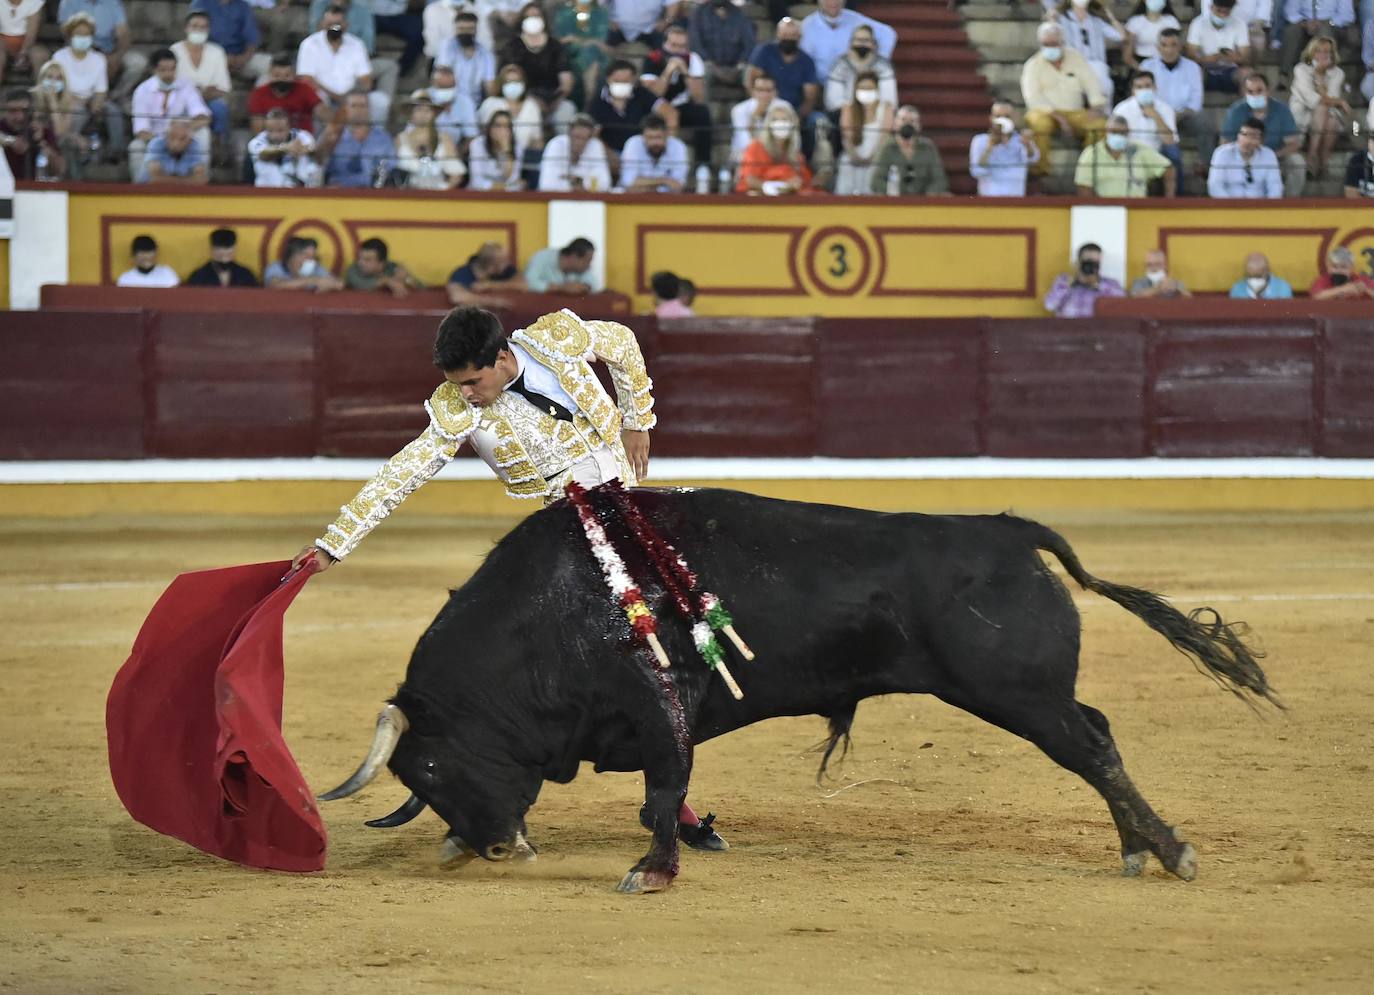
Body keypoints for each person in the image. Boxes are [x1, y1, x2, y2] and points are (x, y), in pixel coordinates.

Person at [286, 305, 731, 852]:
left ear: (502, 357)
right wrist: (337, 540)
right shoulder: (455, 408)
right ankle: (491, 808)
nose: (467, 394)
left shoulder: (557, 341)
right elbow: (403, 471)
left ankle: (669, 802)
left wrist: (639, 419)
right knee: (536, 678)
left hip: (632, 520)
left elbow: (622, 343)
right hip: (558, 542)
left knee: (668, 659)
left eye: (474, 381)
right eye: (458, 385)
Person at [1022, 21, 1107, 177]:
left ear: (1063, 42)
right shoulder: (1033, 64)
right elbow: (1032, 97)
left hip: (1075, 112)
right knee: (1038, 125)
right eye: (1046, 44)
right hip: (1046, 113)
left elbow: (1092, 84)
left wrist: (1096, 106)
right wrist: (1059, 118)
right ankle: (1040, 171)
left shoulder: (1076, 58)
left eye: (1054, 43)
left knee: (1099, 125)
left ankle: (1088, 171)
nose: (1050, 47)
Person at [297, 5, 389, 133]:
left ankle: (374, 137)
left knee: (380, 101)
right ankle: (318, 142)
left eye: (338, 24)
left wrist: (350, 96)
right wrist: (336, 96)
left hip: (351, 95)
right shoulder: (309, 44)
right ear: (323, 23)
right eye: (331, 23)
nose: (334, 27)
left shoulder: (356, 44)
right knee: (317, 98)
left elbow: (366, 80)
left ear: (346, 24)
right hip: (324, 95)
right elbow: (307, 80)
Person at [128, 49, 211, 183]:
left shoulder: (186, 86)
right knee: (135, 147)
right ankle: (139, 188)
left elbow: (203, 116)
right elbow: (141, 130)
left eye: (172, 69)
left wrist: (181, 134)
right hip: (154, 140)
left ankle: (202, 182)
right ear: (153, 70)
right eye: (163, 70)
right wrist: (167, 141)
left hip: (183, 137)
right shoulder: (142, 91)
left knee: (203, 133)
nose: (168, 74)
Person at [1141, 28, 1215, 178]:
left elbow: (1196, 101)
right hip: (1156, 116)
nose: (1169, 49)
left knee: (1205, 122)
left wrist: (1179, 114)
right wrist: (1161, 116)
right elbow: (1142, 97)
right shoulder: (1147, 67)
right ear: (1157, 47)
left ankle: (1206, 167)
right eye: (1164, 45)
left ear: (1180, 46)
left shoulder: (1193, 68)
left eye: (1173, 44)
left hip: (1184, 116)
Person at [1220, 73, 1305, 196]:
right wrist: (1243, 158)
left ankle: (1290, 202)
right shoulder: (1236, 110)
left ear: (1268, 91)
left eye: (1259, 90)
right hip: (1243, 158)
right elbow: (1225, 142)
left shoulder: (1282, 110)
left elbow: (1293, 144)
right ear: (1245, 93)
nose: (1255, 95)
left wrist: (1270, 157)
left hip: (1276, 157)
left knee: (1297, 162)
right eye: (1250, 91)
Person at [641, 24, 712, 167]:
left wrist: (685, 72)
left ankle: (703, 164)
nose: (677, 51)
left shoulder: (693, 59)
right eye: (673, 45)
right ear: (665, 44)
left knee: (703, 114)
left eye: (682, 46)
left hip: (681, 105)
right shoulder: (653, 58)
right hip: (657, 108)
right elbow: (653, 94)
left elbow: (698, 97)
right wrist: (668, 72)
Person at [52, 13, 123, 154]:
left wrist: (97, 103)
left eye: (87, 34)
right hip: (69, 99)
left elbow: (101, 90)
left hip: (91, 99)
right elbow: (58, 86)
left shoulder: (99, 59)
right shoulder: (59, 57)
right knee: (78, 112)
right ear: (70, 36)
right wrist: (77, 101)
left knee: (113, 111)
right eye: (79, 34)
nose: (83, 38)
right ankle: (70, 147)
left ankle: (116, 151)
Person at [500, 2, 575, 135]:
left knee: (567, 109)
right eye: (528, 16)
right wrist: (531, 99)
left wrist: (555, 102)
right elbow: (507, 77)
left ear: (544, 19)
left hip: (553, 97)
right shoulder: (512, 46)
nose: (533, 19)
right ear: (522, 20)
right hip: (524, 98)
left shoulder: (555, 46)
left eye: (536, 16)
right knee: (531, 110)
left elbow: (566, 81)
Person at [56, 0, 147, 104]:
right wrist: (98, 57)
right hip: (80, 50)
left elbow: (124, 34)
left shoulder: (113, 2)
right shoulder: (68, 2)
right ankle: (85, 97)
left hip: (110, 49)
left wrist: (116, 56)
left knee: (138, 62)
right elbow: (67, 33)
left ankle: (116, 96)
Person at [1289, 35, 1349, 180]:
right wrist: (1339, 102)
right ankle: (1314, 156)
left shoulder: (1338, 73)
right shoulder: (1301, 69)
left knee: (1331, 120)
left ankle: (1321, 159)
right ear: (1311, 53)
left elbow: (1332, 96)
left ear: (1332, 54)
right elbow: (1311, 98)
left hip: (1327, 114)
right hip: (1303, 109)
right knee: (1322, 108)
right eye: (1318, 51)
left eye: (1326, 51)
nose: (1322, 55)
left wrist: (1320, 78)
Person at [1075, 114, 1175, 197]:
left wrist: (1169, 200)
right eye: (1113, 132)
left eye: (1122, 133)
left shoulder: (1140, 150)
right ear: (1106, 131)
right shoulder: (1092, 153)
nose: (1118, 136)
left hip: (1136, 210)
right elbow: (1083, 186)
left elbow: (1168, 169)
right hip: (1103, 210)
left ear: (1128, 133)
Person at [1111, 71, 1182, 188]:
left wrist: (1156, 116)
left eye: (1147, 86)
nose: (1143, 90)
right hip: (1129, 151)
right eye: (1139, 87)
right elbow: (1114, 138)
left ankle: (1175, 202)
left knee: (1173, 152)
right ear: (1133, 90)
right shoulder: (1122, 109)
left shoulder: (1165, 109)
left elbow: (1170, 141)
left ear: (1155, 87)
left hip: (1156, 153)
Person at [172, 10, 231, 145]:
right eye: (195, 26)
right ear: (186, 28)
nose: (199, 30)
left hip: (209, 100)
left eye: (203, 27)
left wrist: (203, 94)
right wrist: (193, 93)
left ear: (208, 30)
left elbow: (223, 88)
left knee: (220, 108)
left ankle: (218, 145)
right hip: (181, 100)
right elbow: (171, 83)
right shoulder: (174, 51)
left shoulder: (217, 52)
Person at [746, 18, 820, 125]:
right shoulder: (765, 51)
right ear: (778, 35)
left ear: (799, 37)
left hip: (794, 112)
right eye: (785, 35)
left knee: (816, 120)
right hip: (765, 107)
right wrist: (760, 108)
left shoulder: (807, 61)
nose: (789, 39)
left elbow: (810, 97)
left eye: (793, 35)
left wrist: (796, 118)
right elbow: (751, 81)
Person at [799, 0, 895, 81]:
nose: (833, 2)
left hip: (848, 83)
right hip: (818, 86)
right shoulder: (807, 25)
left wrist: (875, 63)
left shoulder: (855, 20)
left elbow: (888, 33)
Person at [864, 102, 944, 198]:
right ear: (895, 124)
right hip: (893, 203)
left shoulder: (928, 147)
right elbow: (876, 181)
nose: (907, 124)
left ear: (919, 126)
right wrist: (895, 192)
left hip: (923, 204)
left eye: (912, 121)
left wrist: (927, 196)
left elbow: (939, 180)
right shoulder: (886, 147)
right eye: (903, 120)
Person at [587, 59, 666, 156]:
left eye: (625, 81)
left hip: (642, 152)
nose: (621, 84)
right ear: (608, 79)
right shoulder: (597, 101)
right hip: (609, 153)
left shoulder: (643, 94)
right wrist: (610, 156)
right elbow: (593, 134)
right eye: (617, 81)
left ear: (633, 80)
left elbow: (670, 112)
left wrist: (667, 143)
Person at [318, 88, 394, 187]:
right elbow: (320, 165)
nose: (358, 110)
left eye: (362, 106)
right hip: (339, 194)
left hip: (375, 194)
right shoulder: (334, 135)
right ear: (345, 109)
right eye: (354, 106)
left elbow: (392, 168)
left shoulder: (384, 139)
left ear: (369, 109)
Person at [1054, 0, 1126, 100]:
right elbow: (1053, 37)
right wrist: (1051, 19)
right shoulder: (1063, 19)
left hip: (1096, 64)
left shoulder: (1096, 21)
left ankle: (1105, 114)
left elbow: (1121, 36)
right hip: (1073, 64)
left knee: (1105, 87)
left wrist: (1111, 17)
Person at [736, 101, 812, 195]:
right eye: (775, 120)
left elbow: (803, 182)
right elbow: (748, 179)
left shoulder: (796, 155)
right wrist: (769, 186)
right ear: (768, 124)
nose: (780, 124)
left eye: (784, 120)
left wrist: (795, 183)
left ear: (792, 124)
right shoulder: (756, 147)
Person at [395, 90, 466, 190]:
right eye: (419, 109)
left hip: (437, 197)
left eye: (427, 110)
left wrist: (442, 191)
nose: (423, 114)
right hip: (407, 196)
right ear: (411, 113)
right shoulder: (400, 139)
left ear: (433, 114)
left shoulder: (444, 139)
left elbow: (456, 175)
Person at [968, 100, 1040, 197]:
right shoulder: (980, 140)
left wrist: (1028, 145)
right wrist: (989, 148)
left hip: (1016, 199)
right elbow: (977, 172)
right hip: (989, 199)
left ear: (1014, 118)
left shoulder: (1022, 140)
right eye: (998, 116)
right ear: (991, 118)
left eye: (1007, 117)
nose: (1002, 121)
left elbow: (1033, 159)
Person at [189, 0, 271, 84]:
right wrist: (223, 59)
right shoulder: (200, 4)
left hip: (240, 58)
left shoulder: (243, 6)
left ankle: (259, 96)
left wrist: (244, 58)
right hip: (211, 58)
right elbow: (196, 40)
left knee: (272, 65)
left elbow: (252, 38)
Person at [823, 23, 897, 114]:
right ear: (851, 43)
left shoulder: (883, 66)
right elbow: (832, 103)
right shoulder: (840, 65)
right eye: (858, 40)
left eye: (866, 40)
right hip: (843, 115)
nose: (862, 44)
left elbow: (890, 101)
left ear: (873, 44)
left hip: (876, 116)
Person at [1277, 0, 1358, 81]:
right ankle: (1284, 74)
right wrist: (1305, 23)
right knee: (1291, 31)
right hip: (1305, 22)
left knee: (1324, 31)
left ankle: (1322, 76)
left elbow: (1347, 15)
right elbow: (1290, 11)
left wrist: (1327, 22)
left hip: (1332, 24)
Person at [30, 61, 85, 179]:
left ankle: (74, 183)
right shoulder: (32, 97)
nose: (54, 82)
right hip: (36, 141)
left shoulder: (68, 101)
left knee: (70, 143)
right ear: (42, 79)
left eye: (59, 78)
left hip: (57, 144)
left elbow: (60, 132)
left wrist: (53, 102)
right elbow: (33, 129)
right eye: (49, 77)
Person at [435, 9, 496, 113]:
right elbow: (443, 77)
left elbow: (490, 86)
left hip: (476, 105)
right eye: (461, 29)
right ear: (455, 29)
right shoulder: (447, 46)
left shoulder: (485, 54)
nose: (465, 32)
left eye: (470, 29)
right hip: (449, 101)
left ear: (476, 30)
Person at [1185, 0, 1251, 93]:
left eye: (1226, 12)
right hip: (1205, 70)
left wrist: (1234, 58)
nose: (1222, 15)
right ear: (1211, 8)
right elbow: (1190, 57)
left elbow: (1246, 58)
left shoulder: (1240, 24)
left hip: (1230, 70)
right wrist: (1207, 59)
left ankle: (1245, 106)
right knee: (1194, 72)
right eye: (1219, 11)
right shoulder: (1198, 24)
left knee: (1247, 74)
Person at [1208, 115, 1283, 197]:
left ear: (1261, 141)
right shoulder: (1222, 153)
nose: (1247, 141)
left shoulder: (1268, 155)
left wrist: (1268, 207)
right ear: (1238, 135)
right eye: (1244, 134)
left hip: (1260, 206)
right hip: (1228, 205)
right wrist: (1231, 206)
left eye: (1253, 137)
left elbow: (1275, 187)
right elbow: (1215, 186)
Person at [247, 106, 323, 187]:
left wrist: (302, 149)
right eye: (271, 130)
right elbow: (264, 153)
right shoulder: (256, 142)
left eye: (280, 130)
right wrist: (285, 148)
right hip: (266, 192)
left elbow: (312, 148)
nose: (275, 135)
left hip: (299, 192)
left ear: (289, 127)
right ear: (265, 128)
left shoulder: (302, 135)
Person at [554, 0, 611, 105]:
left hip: (595, 52)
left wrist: (577, 39)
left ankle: (590, 95)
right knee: (590, 53)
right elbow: (559, 40)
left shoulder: (601, 12)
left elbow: (601, 40)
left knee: (590, 52)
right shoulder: (564, 13)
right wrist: (585, 41)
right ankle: (591, 98)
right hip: (569, 51)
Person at [1044, 242, 1124, 317]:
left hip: (1096, 328)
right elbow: (1049, 305)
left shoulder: (1109, 284)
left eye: (1096, 263)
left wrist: (1097, 284)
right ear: (1079, 261)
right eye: (1088, 262)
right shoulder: (1064, 280)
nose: (1092, 266)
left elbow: (1122, 303)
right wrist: (1069, 283)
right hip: (1068, 328)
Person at [249, 54, 323, 135]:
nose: (282, 79)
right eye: (277, 75)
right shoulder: (259, 93)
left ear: (294, 75)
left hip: (301, 141)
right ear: (269, 75)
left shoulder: (304, 89)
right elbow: (258, 130)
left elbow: (324, 113)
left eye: (287, 75)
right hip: (270, 141)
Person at [689, 0, 755, 89]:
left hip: (737, 66)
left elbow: (749, 44)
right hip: (708, 64)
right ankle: (702, 103)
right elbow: (695, 43)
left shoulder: (739, 14)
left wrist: (740, 65)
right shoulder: (699, 13)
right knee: (700, 71)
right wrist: (711, 65)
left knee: (750, 73)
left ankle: (754, 103)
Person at [537, 111, 609, 191]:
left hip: (587, 200)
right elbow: (547, 184)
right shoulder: (556, 144)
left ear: (589, 138)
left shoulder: (595, 145)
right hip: (555, 200)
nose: (578, 143)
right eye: (576, 137)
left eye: (583, 139)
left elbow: (604, 184)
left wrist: (574, 180)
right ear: (569, 134)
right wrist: (581, 183)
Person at [478, 63, 544, 151]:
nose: (513, 85)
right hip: (493, 154)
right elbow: (481, 132)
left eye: (517, 81)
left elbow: (537, 139)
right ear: (501, 84)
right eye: (509, 82)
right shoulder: (490, 103)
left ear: (523, 84)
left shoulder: (531, 106)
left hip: (522, 157)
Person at [1, 86, 62, 180]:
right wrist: (10, 141)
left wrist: (41, 142)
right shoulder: (2, 127)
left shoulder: (42, 131)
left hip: (34, 189)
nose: (19, 117)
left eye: (24, 111)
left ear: (32, 111)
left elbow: (59, 169)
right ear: (4, 111)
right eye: (13, 111)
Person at [620, 112, 689, 192]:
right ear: (643, 136)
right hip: (635, 200)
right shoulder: (633, 143)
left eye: (658, 137)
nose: (654, 142)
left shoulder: (678, 146)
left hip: (667, 200)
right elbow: (629, 182)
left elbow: (678, 186)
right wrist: (664, 180)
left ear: (667, 135)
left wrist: (644, 184)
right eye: (650, 137)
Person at [446, 240, 524, 306]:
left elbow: (523, 285)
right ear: (492, 265)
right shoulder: (462, 273)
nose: (508, 263)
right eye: (504, 260)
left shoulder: (506, 270)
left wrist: (490, 285)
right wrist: (493, 302)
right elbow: (457, 297)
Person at [729, 71, 783, 160]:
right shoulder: (739, 109)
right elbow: (744, 141)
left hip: (776, 154)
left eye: (768, 90)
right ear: (753, 91)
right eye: (760, 90)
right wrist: (754, 117)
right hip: (747, 155)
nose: (764, 95)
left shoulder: (784, 107)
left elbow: (784, 139)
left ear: (775, 92)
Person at [467, 108, 525, 190]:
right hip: (480, 195)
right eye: (498, 126)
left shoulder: (517, 147)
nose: (501, 130)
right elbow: (477, 181)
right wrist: (502, 187)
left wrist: (507, 151)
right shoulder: (477, 144)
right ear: (490, 127)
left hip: (506, 197)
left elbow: (513, 179)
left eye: (506, 127)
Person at [346, 237, 424, 296]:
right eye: (360, 258)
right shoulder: (353, 269)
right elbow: (360, 285)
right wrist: (387, 281)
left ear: (381, 263)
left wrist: (407, 280)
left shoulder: (393, 268)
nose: (360, 263)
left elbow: (423, 289)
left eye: (367, 260)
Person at [142, 118, 209, 184]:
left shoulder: (195, 145)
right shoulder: (156, 143)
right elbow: (154, 179)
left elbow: (200, 180)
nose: (176, 143)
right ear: (166, 135)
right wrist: (189, 181)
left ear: (190, 139)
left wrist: (166, 180)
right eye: (172, 136)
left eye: (182, 138)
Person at [426, 64, 478, 148]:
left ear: (455, 84)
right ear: (433, 84)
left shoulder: (465, 101)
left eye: (448, 87)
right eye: (441, 86)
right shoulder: (424, 97)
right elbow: (413, 130)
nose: (445, 90)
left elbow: (471, 136)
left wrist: (456, 156)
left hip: (454, 150)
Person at [186, 227, 260, 287]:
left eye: (228, 255)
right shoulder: (199, 276)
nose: (224, 260)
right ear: (211, 250)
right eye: (220, 256)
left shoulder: (246, 275)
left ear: (234, 250)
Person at [265, 236, 344, 291]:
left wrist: (328, 286)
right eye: (305, 256)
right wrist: (311, 281)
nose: (309, 261)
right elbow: (275, 285)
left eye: (312, 257)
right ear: (291, 257)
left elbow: (339, 283)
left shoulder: (316, 268)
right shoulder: (276, 267)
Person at [525, 236, 600, 294]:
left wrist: (584, 287)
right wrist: (560, 288)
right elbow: (528, 282)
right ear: (574, 256)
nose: (589, 265)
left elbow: (593, 284)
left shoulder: (583, 270)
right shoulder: (542, 257)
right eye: (587, 261)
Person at [372, 0, 424, 78]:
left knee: (420, 32)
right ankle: (364, 69)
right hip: (371, 15)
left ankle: (400, 70)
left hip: (400, 16)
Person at [1123, 0, 1182, 69]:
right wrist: (1143, 71)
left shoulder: (1171, 21)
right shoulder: (1134, 22)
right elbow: (1127, 57)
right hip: (1140, 63)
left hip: (1168, 64)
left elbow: (1178, 48)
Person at [0, 0, 45, 84]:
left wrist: (23, 52)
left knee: (39, 55)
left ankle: (41, 93)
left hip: (26, 44)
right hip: (2, 43)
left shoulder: (34, 2)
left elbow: (31, 35)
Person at [1309, 246, 1374, 300]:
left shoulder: (1360, 279)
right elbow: (1316, 296)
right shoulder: (1324, 279)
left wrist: (1365, 289)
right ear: (1329, 268)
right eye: (1334, 266)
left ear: (1351, 268)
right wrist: (1344, 289)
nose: (1339, 270)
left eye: (1343, 267)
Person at [607, 0, 679, 48]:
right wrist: (607, 21)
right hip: (618, 28)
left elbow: (673, 4)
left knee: (665, 47)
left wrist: (666, 21)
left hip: (651, 28)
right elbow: (600, 4)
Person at [116, 234, 180, 288]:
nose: (146, 257)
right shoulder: (125, 279)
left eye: (149, 252)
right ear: (133, 256)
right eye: (142, 253)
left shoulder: (167, 273)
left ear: (156, 253)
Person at [1227, 252, 1293, 298]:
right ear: (1246, 273)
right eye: (1252, 276)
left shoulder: (1283, 288)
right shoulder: (1237, 289)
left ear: (1267, 271)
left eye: (1259, 276)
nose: (1255, 280)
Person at [1343, 130, 1374, 197]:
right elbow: (1350, 193)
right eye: (1373, 140)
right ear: (1369, 142)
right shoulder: (1356, 160)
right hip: (1364, 206)